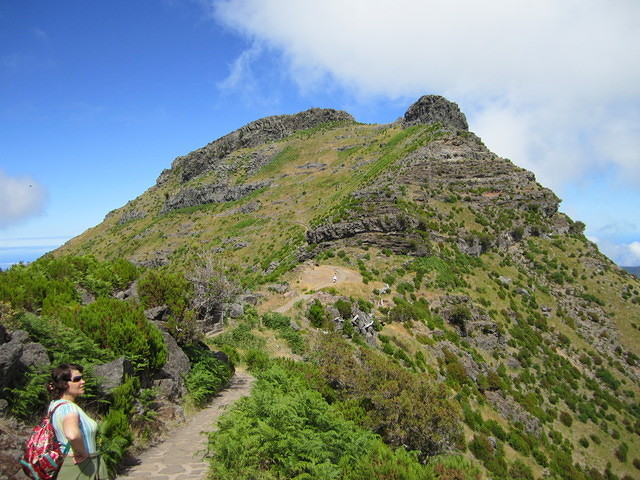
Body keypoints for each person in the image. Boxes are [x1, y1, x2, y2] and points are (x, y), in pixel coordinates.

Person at [47, 363, 107, 480]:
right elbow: (72, 435)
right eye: (77, 379)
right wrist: (83, 452)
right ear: (64, 384)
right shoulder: (69, 408)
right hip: (80, 466)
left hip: (70, 464)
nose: (83, 381)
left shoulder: (54, 405)